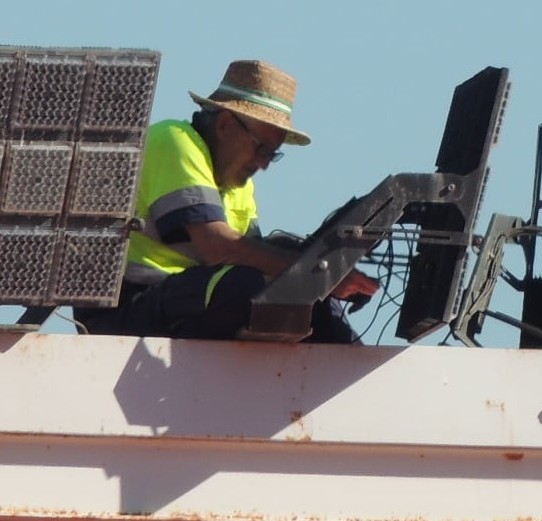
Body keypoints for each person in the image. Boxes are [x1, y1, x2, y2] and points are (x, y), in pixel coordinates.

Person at [78, 59, 376, 343]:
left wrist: (322, 274)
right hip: (125, 308)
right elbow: (219, 247)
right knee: (244, 284)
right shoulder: (174, 139)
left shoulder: (236, 182)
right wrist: (316, 272)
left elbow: (258, 255)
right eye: (261, 149)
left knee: (308, 299)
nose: (264, 164)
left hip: (178, 301)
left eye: (272, 154)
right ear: (224, 125)